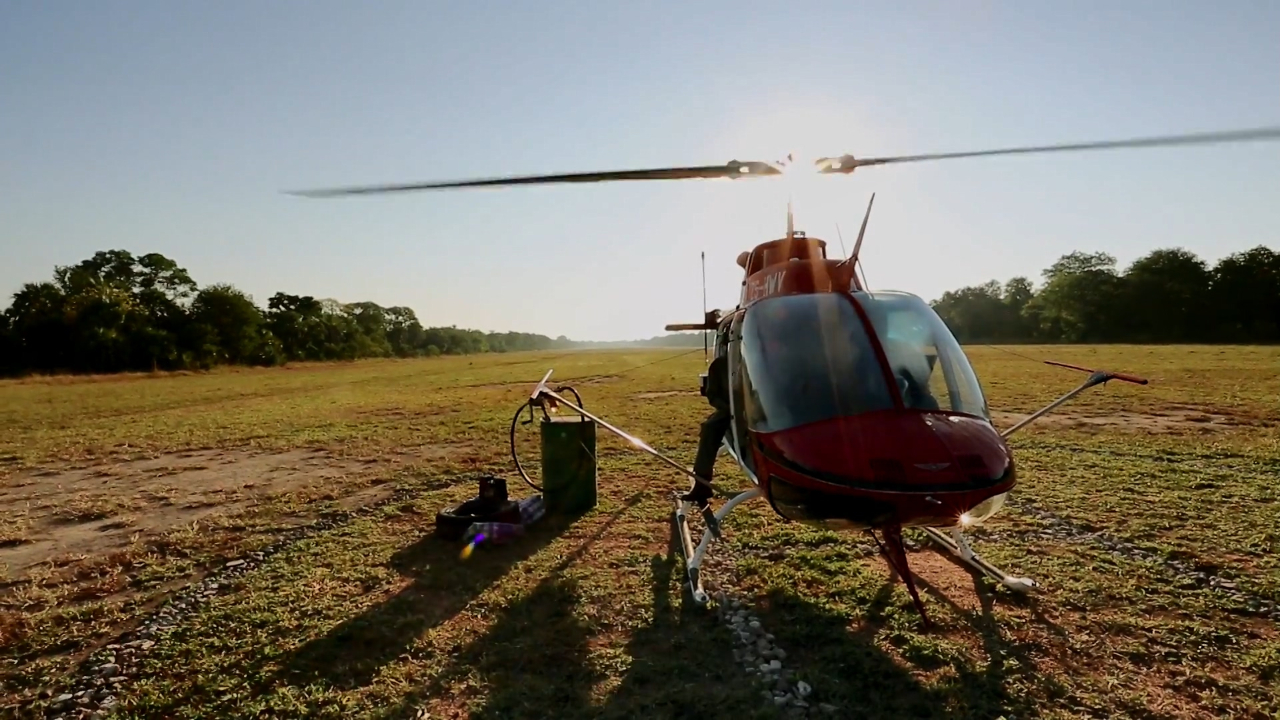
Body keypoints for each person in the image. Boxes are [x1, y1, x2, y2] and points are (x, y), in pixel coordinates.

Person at [681, 352, 731, 507]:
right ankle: (702, 483)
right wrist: (730, 409)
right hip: (732, 411)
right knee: (709, 429)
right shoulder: (721, 365)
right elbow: (713, 395)